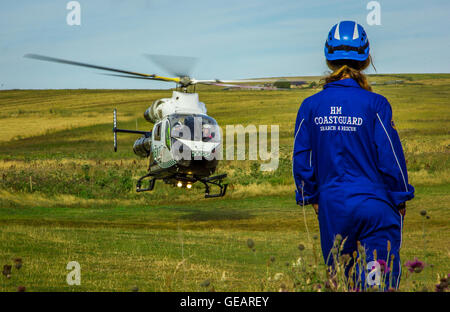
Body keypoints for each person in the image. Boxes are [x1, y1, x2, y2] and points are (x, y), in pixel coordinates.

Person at [292, 21, 414, 290]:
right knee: (377, 282)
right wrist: (400, 196)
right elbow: (390, 156)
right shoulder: (376, 104)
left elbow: (302, 158)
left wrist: (311, 197)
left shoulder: (310, 106)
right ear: (366, 59)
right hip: (376, 206)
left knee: (342, 281)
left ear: (327, 58)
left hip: (333, 207)